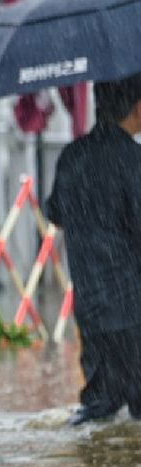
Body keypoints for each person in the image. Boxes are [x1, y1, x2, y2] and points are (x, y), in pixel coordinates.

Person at [47, 74, 141, 425]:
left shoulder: (72, 156)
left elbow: (54, 212)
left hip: (90, 305)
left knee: (100, 406)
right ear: (137, 106)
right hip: (133, 306)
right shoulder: (133, 160)